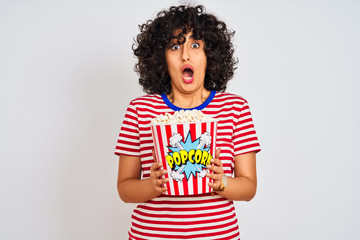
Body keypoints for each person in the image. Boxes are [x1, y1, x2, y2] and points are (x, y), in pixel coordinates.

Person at [115, 5, 261, 240]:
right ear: (161, 58)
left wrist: (221, 181)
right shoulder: (140, 110)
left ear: (209, 55)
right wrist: (152, 186)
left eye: (195, 45)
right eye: (175, 46)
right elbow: (124, 188)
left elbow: (249, 188)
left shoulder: (235, 108)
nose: (185, 55)